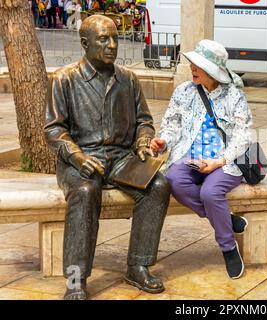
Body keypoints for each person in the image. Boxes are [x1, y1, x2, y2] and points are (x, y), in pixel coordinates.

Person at [44, 15, 170, 300]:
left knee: (158, 186)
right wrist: (76, 157)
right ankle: (76, 279)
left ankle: (138, 264)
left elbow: (144, 120)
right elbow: (53, 129)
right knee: (86, 192)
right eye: (104, 39)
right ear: (85, 43)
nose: (112, 45)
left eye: (114, 38)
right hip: (81, 158)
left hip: (122, 157)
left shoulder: (128, 79)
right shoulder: (64, 79)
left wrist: (142, 141)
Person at [150, 39, 252, 279]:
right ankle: (225, 220)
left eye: (198, 65)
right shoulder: (184, 91)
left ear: (213, 71)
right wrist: (164, 141)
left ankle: (228, 247)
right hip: (189, 156)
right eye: (192, 64)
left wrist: (218, 162)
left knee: (209, 193)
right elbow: (171, 125)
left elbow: (243, 135)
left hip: (224, 162)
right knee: (173, 179)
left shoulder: (234, 96)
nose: (192, 68)